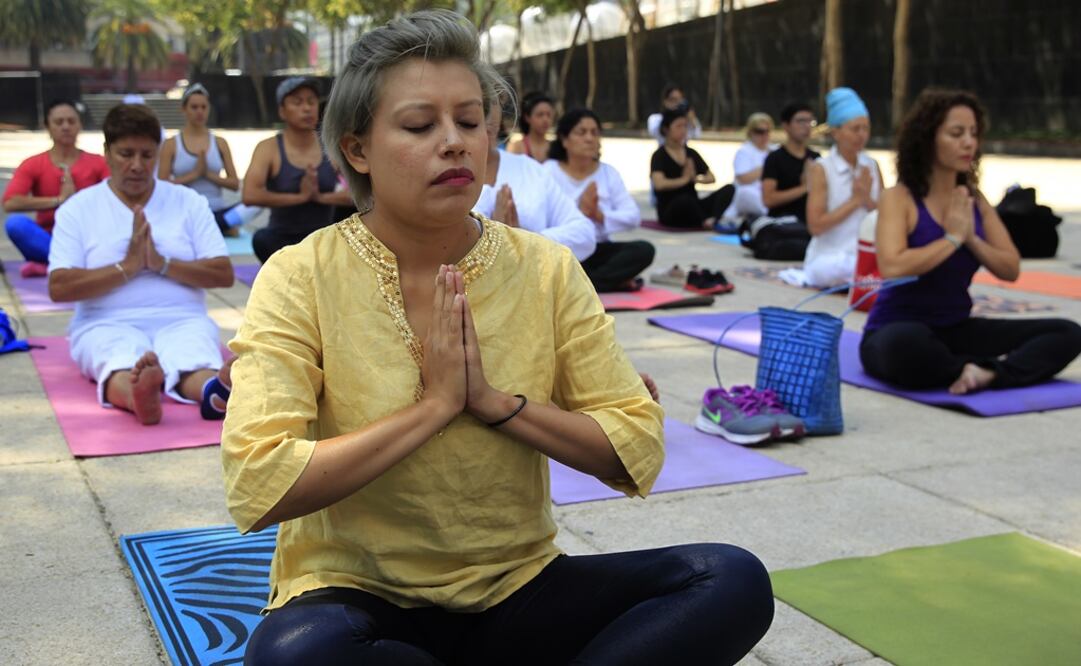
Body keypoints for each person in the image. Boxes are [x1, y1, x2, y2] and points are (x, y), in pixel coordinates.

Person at [223, 10, 773, 664]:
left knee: (728, 580)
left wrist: (492, 402)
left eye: (470, 120)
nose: (455, 142)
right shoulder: (301, 274)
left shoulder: (544, 269)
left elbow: (634, 446)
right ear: (357, 148)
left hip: (519, 589)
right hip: (359, 597)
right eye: (420, 125)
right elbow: (259, 483)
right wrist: (432, 409)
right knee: (290, 656)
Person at [861, 89, 1081, 394]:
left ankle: (985, 373)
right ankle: (969, 368)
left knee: (1067, 333)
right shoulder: (899, 198)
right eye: (956, 133)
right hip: (896, 328)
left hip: (956, 329)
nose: (969, 142)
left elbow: (1010, 268)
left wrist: (971, 239)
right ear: (927, 139)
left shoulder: (975, 202)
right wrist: (951, 240)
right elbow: (892, 266)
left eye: (973, 133)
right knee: (906, 346)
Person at [46, 104, 234, 425]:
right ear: (106, 153)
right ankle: (137, 395)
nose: (136, 165)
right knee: (116, 359)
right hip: (104, 322)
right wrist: (127, 267)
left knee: (192, 354)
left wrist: (161, 264)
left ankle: (212, 391)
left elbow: (223, 274)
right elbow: (59, 288)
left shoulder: (188, 202)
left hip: (181, 318)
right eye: (125, 154)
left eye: (147, 155)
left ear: (158, 153)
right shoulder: (78, 209)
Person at [242, 76, 353, 263]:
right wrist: (299, 198)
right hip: (281, 238)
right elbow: (249, 195)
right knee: (261, 238)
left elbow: (361, 194)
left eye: (311, 101)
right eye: (297, 102)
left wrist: (320, 197)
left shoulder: (331, 147)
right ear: (282, 111)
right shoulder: (268, 148)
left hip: (322, 237)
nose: (307, 108)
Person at [545, 108, 654, 292]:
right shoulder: (547, 171)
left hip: (599, 249)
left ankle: (581, 288)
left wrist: (599, 215)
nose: (589, 138)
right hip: (563, 249)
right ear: (564, 139)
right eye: (581, 132)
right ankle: (604, 283)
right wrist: (578, 210)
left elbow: (633, 216)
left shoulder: (608, 173)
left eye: (594, 133)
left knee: (644, 250)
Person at [473, 101, 596, 262]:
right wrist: (496, 238)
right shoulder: (519, 147)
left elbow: (584, 233)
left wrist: (522, 239)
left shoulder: (530, 169)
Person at [3, 100, 109, 277]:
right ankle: (68, 265)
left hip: (88, 239)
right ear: (47, 126)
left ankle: (52, 266)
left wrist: (77, 202)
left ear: (80, 124)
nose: (66, 127)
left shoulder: (98, 162)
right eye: (59, 122)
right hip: (48, 239)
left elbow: (115, 198)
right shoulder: (33, 164)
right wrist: (59, 200)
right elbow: (9, 202)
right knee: (15, 224)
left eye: (71, 121)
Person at [800, 87, 883, 287]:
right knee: (834, 271)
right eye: (855, 129)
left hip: (867, 254)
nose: (862, 135)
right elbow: (816, 226)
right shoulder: (822, 169)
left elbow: (885, 216)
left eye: (866, 128)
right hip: (830, 258)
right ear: (836, 132)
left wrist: (868, 200)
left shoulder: (871, 166)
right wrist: (855, 201)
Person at [158, 84, 243, 236]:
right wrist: (193, 175)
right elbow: (161, 187)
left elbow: (235, 184)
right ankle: (217, 227)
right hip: (184, 210)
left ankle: (215, 225)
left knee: (252, 206)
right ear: (183, 109)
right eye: (194, 107)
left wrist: (208, 175)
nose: (200, 112)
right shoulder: (171, 144)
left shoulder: (220, 143)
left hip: (216, 209)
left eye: (204, 107)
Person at [650, 108, 726, 229]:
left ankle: (712, 219)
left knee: (729, 189)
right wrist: (684, 180)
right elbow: (659, 184)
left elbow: (711, 178)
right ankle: (704, 220)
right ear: (666, 129)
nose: (683, 131)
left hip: (693, 204)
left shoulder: (691, 153)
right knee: (685, 200)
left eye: (685, 126)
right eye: (678, 126)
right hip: (671, 209)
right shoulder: (659, 155)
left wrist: (695, 179)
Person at [761, 102, 820, 223]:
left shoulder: (815, 158)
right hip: (782, 224)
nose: (807, 126)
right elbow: (768, 199)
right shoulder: (775, 158)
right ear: (786, 126)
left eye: (810, 121)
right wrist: (804, 188)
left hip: (810, 222)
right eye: (801, 121)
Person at [720, 112, 776, 223]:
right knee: (745, 192)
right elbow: (743, 179)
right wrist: (768, 166)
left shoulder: (774, 150)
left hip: (770, 191)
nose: (764, 135)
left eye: (767, 131)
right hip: (750, 192)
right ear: (751, 132)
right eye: (760, 132)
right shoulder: (744, 151)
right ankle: (770, 213)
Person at [506, 91, 554, 162]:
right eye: (540, 115)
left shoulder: (556, 147)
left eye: (548, 115)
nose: (545, 120)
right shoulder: (516, 147)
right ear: (527, 117)